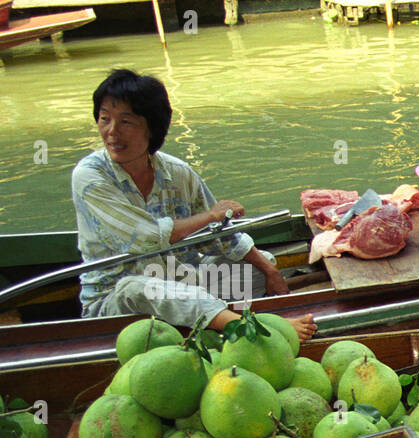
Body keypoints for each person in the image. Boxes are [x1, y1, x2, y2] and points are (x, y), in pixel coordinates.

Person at [72, 69, 315, 339]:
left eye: (126, 122)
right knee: (141, 288)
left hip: (179, 283)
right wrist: (209, 216)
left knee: (259, 265)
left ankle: (206, 315)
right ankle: (249, 327)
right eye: (105, 119)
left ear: (151, 128)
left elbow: (220, 236)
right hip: (117, 300)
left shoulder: (177, 173)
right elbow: (145, 238)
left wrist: (271, 271)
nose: (111, 132)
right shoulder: (90, 177)